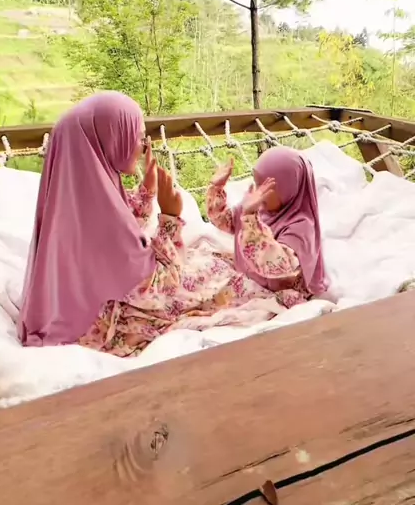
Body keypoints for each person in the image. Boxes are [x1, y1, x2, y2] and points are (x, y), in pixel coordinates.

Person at [18, 91, 285, 355]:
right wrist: (170, 218)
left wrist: (148, 190)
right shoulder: (101, 211)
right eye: (137, 136)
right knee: (225, 279)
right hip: (111, 322)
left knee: (214, 263)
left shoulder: (75, 189)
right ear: (112, 139)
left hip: (76, 308)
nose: (144, 146)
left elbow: (121, 224)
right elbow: (156, 290)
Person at [206, 146, 330, 308]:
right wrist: (216, 188)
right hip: (249, 279)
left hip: (274, 291)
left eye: (266, 186)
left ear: (288, 189)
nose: (259, 192)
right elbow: (224, 221)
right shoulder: (258, 206)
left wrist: (250, 218)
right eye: (257, 184)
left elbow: (277, 265)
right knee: (200, 268)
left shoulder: (301, 226)